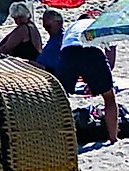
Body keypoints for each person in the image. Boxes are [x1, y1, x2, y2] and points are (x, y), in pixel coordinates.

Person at [38, 12, 119, 143]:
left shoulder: (71, 28)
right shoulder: (99, 25)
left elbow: (69, 55)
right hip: (92, 50)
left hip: (69, 52)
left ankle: (56, 136)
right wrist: (97, 80)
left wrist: (86, 78)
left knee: (60, 96)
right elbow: (110, 60)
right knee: (109, 97)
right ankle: (113, 138)